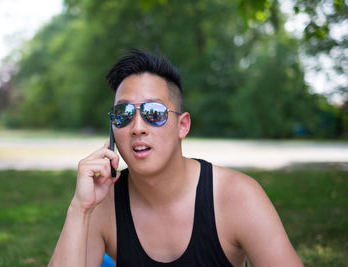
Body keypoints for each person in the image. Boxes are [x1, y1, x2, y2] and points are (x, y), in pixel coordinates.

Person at [48, 49, 303, 267]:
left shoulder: (237, 197)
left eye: (154, 112)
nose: (137, 127)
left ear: (182, 126)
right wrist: (79, 209)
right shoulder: (104, 203)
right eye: (123, 113)